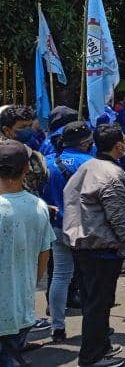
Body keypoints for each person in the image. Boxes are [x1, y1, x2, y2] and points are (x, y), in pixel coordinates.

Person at [62, 124, 125, 367]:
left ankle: (101, 346)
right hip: (101, 247)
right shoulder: (112, 173)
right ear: (119, 145)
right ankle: (91, 356)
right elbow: (118, 215)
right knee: (99, 303)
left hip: (80, 242)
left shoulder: (86, 168)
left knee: (95, 302)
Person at [0, 139, 55, 367]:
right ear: (26, 169)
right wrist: (29, 282)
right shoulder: (39, 207)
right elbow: (44, 257)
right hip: (22, 307)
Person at [42, 121, 94, 342]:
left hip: (56, 225)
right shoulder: (91, 163)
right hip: (84, 229)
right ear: (85, 142)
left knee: (60, 276)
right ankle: (94, 331)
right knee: (90, 279)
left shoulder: (47, 162)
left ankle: (57, 327)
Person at [0, 105, 48, 197]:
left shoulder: (33, 155)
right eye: (22, 127)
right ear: (6, 130)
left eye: (30, 126)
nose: (28, 130)